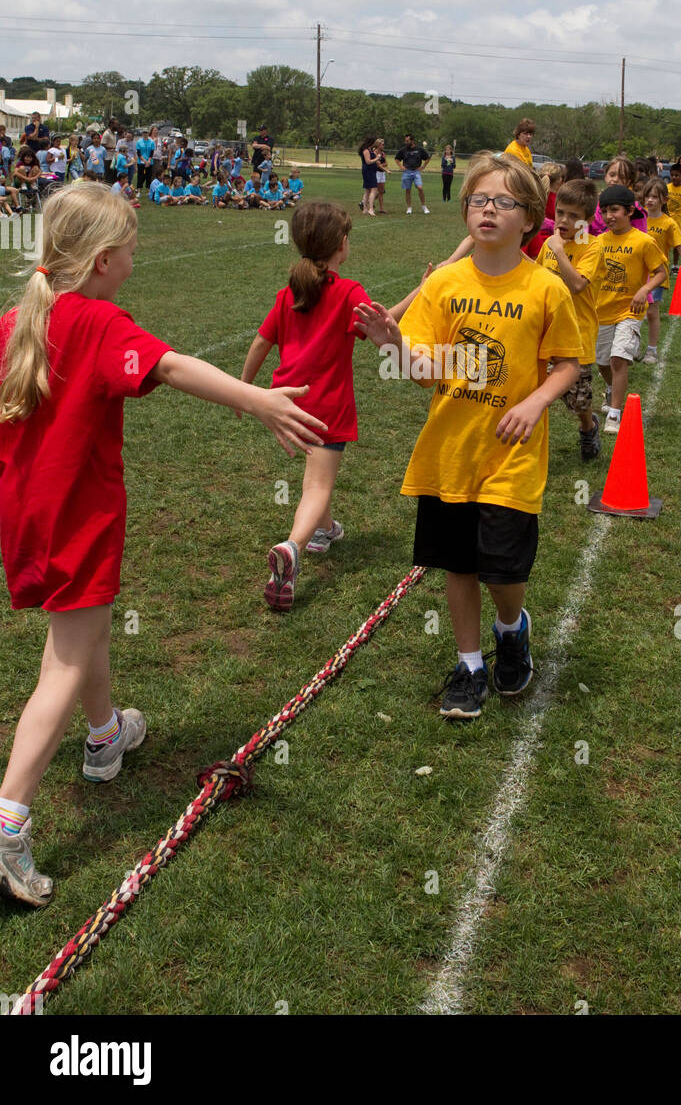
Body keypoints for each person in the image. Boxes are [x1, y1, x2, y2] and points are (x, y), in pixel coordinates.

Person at [0, 184, 327, 906]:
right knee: (62, 662)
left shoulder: (20, 318)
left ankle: (105, 736)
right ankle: (10, 820)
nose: (135, 267)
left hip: (26, 517)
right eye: (132, 255)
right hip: (77, 519)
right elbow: (172, 366)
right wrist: (261, 399)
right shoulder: (97, 320)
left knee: (86, 631)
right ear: (105, 259)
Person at [355, 151, 581, 720]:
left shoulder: (545, 288)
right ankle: (470, 664)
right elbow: (426, 368)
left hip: (512, 455)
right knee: (459, 566)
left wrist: (534, 402)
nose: (488, 210)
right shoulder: (445, 284)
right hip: (449, 453)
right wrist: (394, 344)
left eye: (504, 202)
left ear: (530, 217)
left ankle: (512, 627)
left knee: (503, 571)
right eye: (479, 199)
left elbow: (567, 364)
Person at [239, 202, 424, 611]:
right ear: (341, 245)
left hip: (286, 402)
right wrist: (420, 290)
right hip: (326, 406)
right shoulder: (347, 290)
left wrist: (243, 389)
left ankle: (325, 530)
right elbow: (384, 320)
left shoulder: (290, 291)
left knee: (315, 477)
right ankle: (293, 546)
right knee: (317, 484)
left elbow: (260, 341)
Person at [594, 164, 667, 435]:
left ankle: (614, 413)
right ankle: (612, 388)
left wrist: (643, 290)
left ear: (629, 211)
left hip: (630, 311)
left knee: (617, 359)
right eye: (605, 211)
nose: (609, 216)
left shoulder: (643, 241)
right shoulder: (599, 242)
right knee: (602, 363)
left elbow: (660, 272)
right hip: (602, 311)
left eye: (614, 210)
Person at [534, 180, 604, 460]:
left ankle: (589, 428)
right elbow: (535, 278)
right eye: (560, 212)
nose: (563, 220)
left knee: (578, 400)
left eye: (573, 216)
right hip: (544, 331)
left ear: (586, 220)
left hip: (577, 334)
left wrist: (560, 250)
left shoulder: (593, 247)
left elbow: (576, 285)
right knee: (532, 388)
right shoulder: (549, 243)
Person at [642, 179, 681, 364]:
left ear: (664, 199)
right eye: (648, 196)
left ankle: (651, 351)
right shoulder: (637, 218)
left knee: (652, 313)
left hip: (656, 275)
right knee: (632, 314)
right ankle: (630, 348)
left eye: (655, 196)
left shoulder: (669, 223)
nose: (650, 200)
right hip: (635, 274)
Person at [394, 133, 431, 215]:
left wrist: (423, 167)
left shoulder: (419, 149)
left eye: (407, 141)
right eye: (405, 141)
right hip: (406, 172)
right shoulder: (403, 150)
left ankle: (424, 206)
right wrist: (401, 166)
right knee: (408, 190)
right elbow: (396, 158)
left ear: (412, 141)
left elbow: (427, 158)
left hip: (416, 172)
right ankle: (409, 208)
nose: (406, 142)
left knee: (420, 188)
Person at [358, 135, 380, 217]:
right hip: (368, 171)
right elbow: (368, 162)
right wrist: (377, 158)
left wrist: (376, 160)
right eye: (374, 142)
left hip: (371, 171)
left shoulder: (370, 150)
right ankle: (371, 209)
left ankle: (365, 209)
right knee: (374, 189)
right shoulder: (366, 150)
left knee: (367, 190)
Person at [135, 130, 155, 194]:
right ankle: (138, 191)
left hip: (149, 162)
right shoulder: (139, 142)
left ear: (148, 133)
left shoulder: (152, 142)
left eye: (146, 133)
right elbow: (138, 153)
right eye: (144, 133)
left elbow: (152, 152)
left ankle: (148, 191)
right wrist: (144, 161)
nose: (145, 134)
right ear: (142, 133)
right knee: (140, 176)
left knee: (148, 176)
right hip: (141, 161)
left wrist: (148, 161)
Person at [374, 139, 388, 213]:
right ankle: (365, 203)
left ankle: (381, 209)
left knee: (381, 191)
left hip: (382, 173)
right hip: (376, 173)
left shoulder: (383, 153)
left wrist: (380, 165)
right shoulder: (375, 153)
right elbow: (376, 165)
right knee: (375, 191)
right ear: (378, 145)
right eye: (382, 144)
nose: (383, 146)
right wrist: (380, 166)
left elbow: (386, 163)